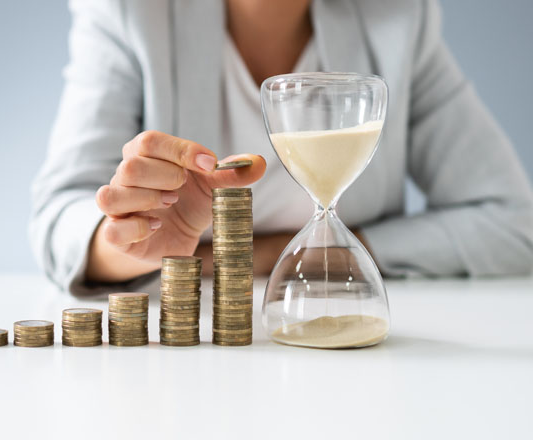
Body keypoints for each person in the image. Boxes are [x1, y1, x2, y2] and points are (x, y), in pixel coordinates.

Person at [30, 0, 533, 295]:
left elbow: (514, 223)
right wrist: (136, 238)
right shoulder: (129, 12)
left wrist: (287, 254)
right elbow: (58, 220)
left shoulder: (398, 17)